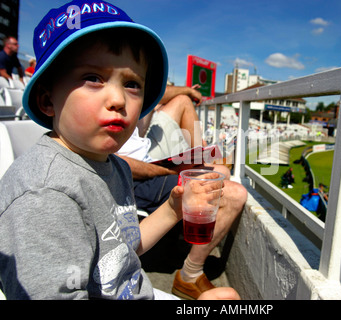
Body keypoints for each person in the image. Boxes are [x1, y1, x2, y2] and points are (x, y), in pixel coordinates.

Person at [0, 0, 239, 300]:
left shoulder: (115, 167)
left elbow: (123, 251)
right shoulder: (44, 196)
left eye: (132, 84)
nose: (118, 99)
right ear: (48, 101)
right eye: (93, 78)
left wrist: (172, 209)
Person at [116, 85, 248, 300]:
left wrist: (186, 91)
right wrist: (167, 170)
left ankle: (199, 160)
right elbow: (117, 163)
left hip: (143, 160)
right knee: (232, 193)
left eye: (135, 84)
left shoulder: (126, 100)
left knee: (219, 171)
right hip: (134, 176)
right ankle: (189, 275)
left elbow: (159, 94)